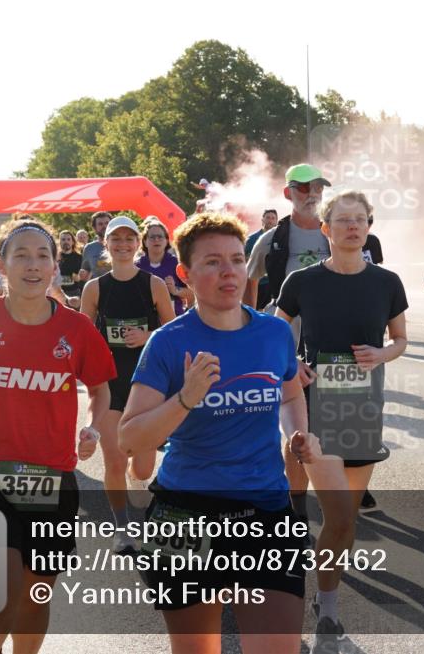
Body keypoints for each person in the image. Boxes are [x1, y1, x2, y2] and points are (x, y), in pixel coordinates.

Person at [118, 211, 323, 654]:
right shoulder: (169, 343)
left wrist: (297, 435)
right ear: (185, 273)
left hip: (266, 509)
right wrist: (185, 398)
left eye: (235, 259)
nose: (228, 271)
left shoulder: (273, 333)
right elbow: (130, 438)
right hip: (185, 516)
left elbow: (289, 395)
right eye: (212, 262)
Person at [0, 218, 114, 654]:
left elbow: (101, 389)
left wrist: (91, 426)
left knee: (37, 591)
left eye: (43, 256)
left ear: (54, 267)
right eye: (21, 256)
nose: (33, 265)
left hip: (50, 476)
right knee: (3, 584)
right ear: (1, 264)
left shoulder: (76, 330)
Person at [276, 191, 408, 652]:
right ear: (326, 229)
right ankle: (329, 610)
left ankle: (324, 599)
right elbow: (277, 334)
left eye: (360, 220)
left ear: (369, 227)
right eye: (343, 220)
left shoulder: (387, 281)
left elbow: (401, 339)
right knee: (335, 511)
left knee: (345, 520)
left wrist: (383, 353)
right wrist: (293, 361)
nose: (353, 227)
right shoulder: (302, 281)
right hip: (316, 405)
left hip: (362, 407)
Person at [79, 216, 175, 553]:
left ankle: (140, 476)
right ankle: (122, 528)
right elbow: (82, 336)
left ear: (139, 243)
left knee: (143, 466)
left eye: (128, 239)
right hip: (109, 385)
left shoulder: (153, 284)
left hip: (147, 385)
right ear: (105, 244)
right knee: (114, 461)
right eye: (115, 239)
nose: (122, 245)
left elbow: (172, 332)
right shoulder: (95, 288)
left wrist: (147, 335)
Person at [246, 164, 332, 519]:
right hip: (287, 344)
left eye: (316, 188)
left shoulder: (335, 231)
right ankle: (296, 505)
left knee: (337, 421)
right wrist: (247, 332)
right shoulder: (273, 238)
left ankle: (349, 481)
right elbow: (250, 282)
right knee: (296, 426)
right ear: (287, 194)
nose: (311, 194)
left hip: (333, 342)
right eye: (302, 188)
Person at [136, 219, 190, 317]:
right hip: (146, 321)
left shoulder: (176, 263)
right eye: (152, 237)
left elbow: (192, 293)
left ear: (166, 241)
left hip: (173, 321)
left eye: (160, 237)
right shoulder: (137, 266)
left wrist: (175, 290)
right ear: (145, 241)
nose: (156, 240)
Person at [245, 209, 280, 310]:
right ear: (262, 220)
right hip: (258, 283)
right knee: (255, 311)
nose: (270, 220)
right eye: (268, 217)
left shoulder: (281, 237)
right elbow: (246, 260)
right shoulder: (252, 239)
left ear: (276, 221)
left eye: (273, 218)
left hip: (274, 283)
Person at [78, 211, 113, 282]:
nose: (104, 226)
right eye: (100, 224)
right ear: (94, 228)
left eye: (107, 223)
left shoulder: (121, 245)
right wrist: (82, 274)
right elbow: (85, 272)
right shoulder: (89, 248)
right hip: (98, 290)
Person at [56, 230, 84, 306]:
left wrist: (79, 277)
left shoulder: (79, 257)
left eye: (68, 239)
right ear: (59, 242)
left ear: (73, 242)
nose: (66, 242)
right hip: (57, 292)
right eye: (63, 239)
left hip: (74, 292)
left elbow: (80, 277)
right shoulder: (54, 257)